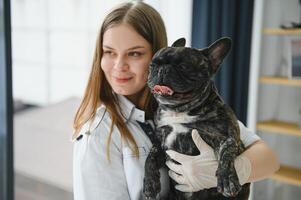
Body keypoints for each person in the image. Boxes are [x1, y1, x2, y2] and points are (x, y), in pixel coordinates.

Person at [72, 1, 279, 200]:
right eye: (109, 52)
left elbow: (269, 159)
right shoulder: (99, 135)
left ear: (160, 53)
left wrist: (234, 170)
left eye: (134, 53)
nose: (119, 65)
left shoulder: (193, 105)